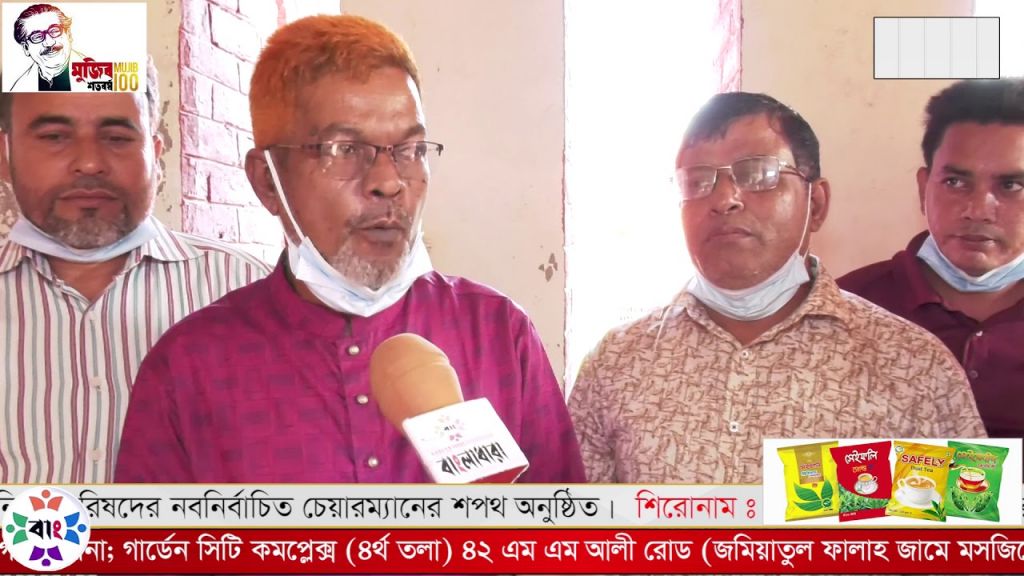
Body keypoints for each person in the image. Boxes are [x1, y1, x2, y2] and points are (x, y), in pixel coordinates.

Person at [114, 14, 585, 483]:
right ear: (267, 181)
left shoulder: (501, 334)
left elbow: (569, 524)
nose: (388, 182)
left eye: (411, 150)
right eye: (343, 150)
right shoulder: (188, 368)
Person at [568, 92, 986, 483]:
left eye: (758, 175)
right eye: (697, 182)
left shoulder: (914, 365)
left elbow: (972, 519)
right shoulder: (617, 364)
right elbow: (572, 523)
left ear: (816, 204)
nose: (724, 199)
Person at [0, 59, 270, 483]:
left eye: (117, 137)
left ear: (156, 153)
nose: (90, 163)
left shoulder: (250, 292)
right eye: (55, 137)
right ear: (6, 154)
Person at [839, 79, 1024, 447]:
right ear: (924, 188)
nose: (978, 210)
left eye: (1011, 186)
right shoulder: (844, 307)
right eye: (955, 182)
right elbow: (803, 471)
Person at [8, 4, 87, 92]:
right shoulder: (19, 88)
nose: (49, 43)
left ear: (69, 35)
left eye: (54, 31)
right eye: (37, 37)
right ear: (26, 48)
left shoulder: (97, 77)